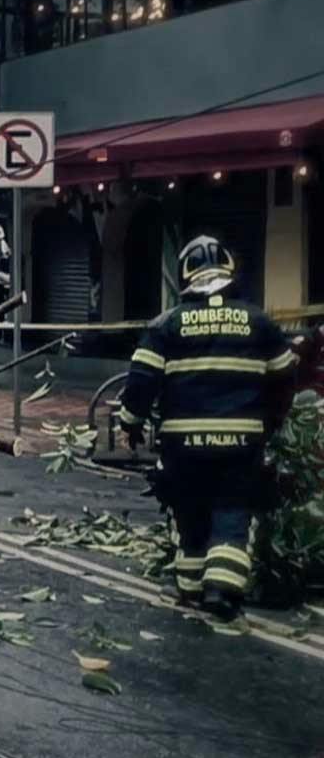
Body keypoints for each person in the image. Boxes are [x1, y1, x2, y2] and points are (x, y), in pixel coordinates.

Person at [116, 235, 298, 623]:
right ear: (230, 273)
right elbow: (285, 376)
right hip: (242, 442)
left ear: (185, 277)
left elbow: (141, 381)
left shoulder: (167, 325)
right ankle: (222, 590)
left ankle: (191, 587)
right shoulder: (259, 322)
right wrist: (274, 421)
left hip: (183, 445)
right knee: (232, 512)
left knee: (189, 513)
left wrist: (129, 425)